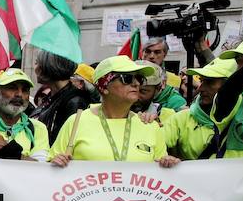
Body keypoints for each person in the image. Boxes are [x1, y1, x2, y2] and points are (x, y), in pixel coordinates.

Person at [49, 57, 180, 168]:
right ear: (104, 87)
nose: (136, 84)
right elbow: (49, 167)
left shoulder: (150, 126)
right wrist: (56, 162)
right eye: (127, 78)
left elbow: (162, 176)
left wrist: (169, 164)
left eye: (139, 79)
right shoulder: (76, 121)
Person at [163, 58, 236, 160]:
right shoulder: (181, 119)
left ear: (230, 86)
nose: (200, 88)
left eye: (209, 82)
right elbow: (153, 146)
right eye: (202, 81)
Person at [32, 49, 94, 141]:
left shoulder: (75, 102)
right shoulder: (50, 98)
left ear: (49, 66)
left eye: (37, 63)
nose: (35, 68)